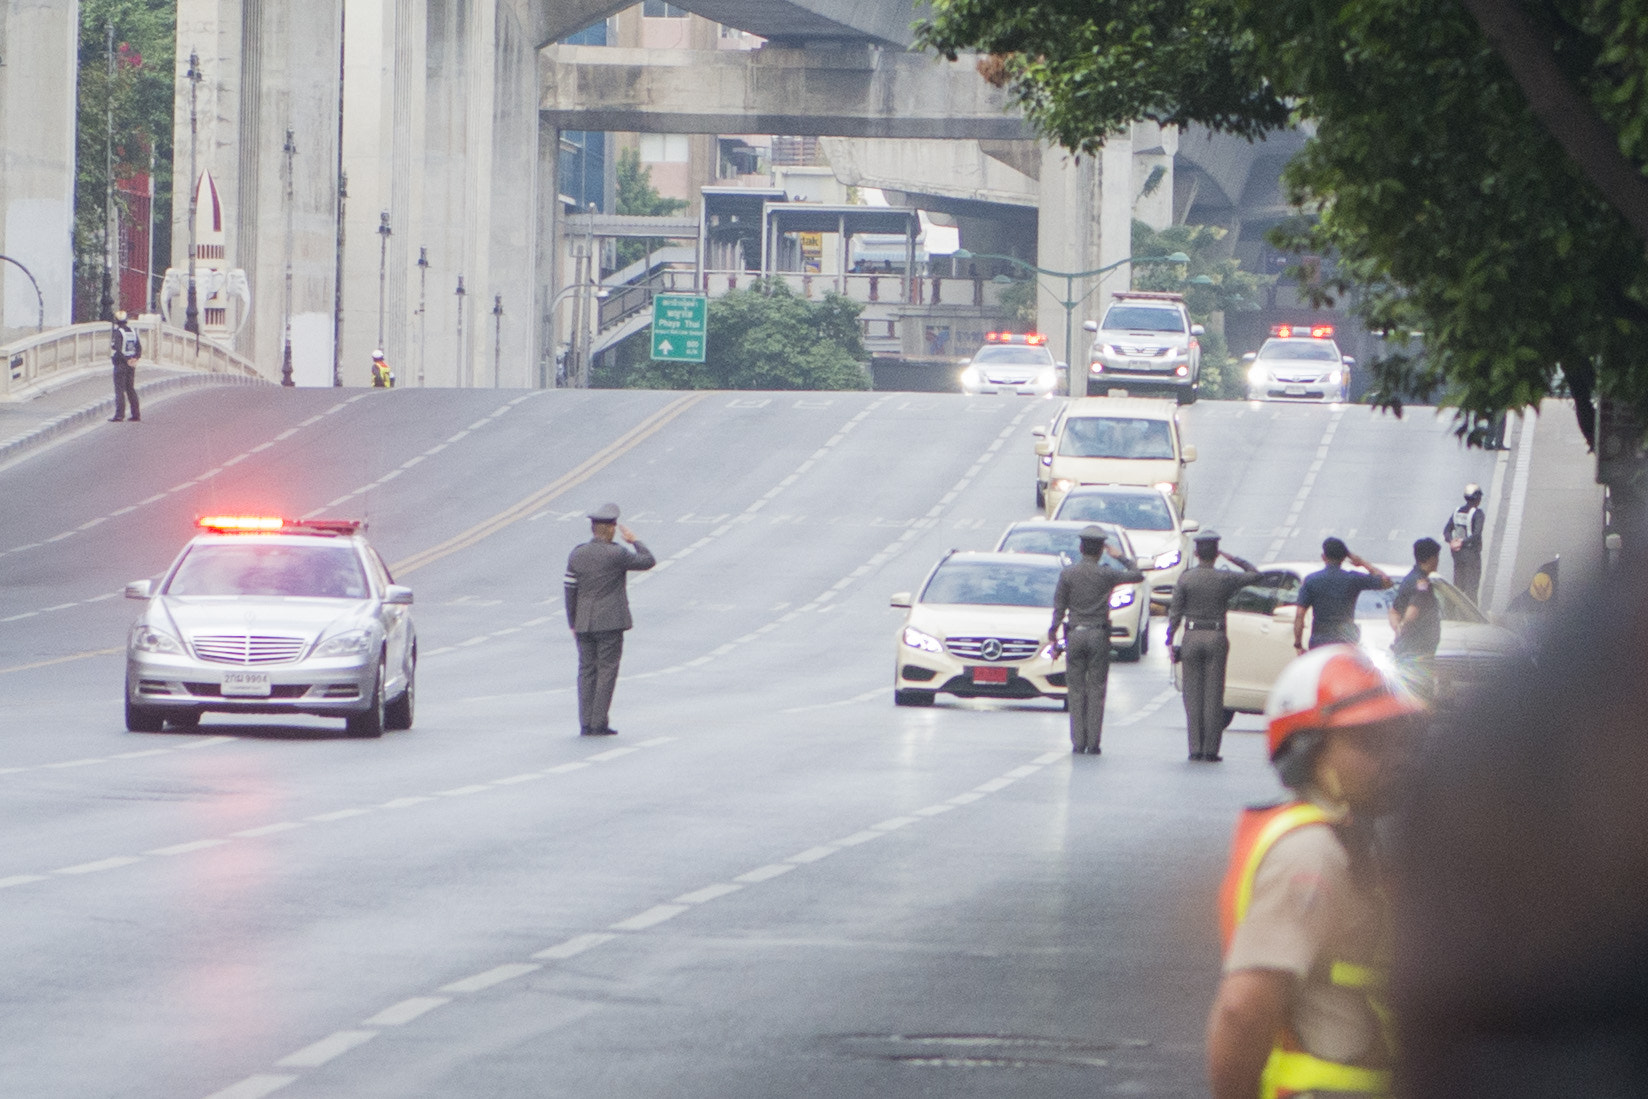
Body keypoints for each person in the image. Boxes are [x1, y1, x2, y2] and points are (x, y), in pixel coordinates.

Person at [1207, 645, 1420, 1099]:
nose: (1396, 758)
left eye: (1399, 739)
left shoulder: (1355, 839)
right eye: (1368, 742)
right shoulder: (1311, 853)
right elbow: (1244, 1010)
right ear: (1308, 752)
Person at [1166, 531, 1264, 761]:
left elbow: (1175, 612)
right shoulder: (1224, 578)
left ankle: (1195, 748)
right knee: (1213, 695)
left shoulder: (1186, 578)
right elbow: (1255, 575)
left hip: (1191, 636)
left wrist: (1170, 640)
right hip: (1216, 636)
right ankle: (1211, 750)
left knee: (1192, 695)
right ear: (1216, 553)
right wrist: (1232, 558)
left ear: (1197, 553)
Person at [1049, 525, 1145, 755]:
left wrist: (1053, 635)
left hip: (1075, 634)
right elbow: (1137, 574)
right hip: (1099, 634)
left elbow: (1059, 608)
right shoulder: (1107, 574)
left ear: (1081, 548)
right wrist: (1120, 556)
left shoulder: (1068, 574)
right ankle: (1093, 743)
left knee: (1076, 689)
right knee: (1096, 689)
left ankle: (1078, 742)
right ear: (1102, 550)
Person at [563, 502, 655, 737]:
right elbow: (647, 561)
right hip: (610, 622)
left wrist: (573, 621)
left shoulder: (577, 553)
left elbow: (570, 589)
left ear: (593, 529)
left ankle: (585, 723)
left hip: (583, 622)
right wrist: (634, 540)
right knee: (606, 671)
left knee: (586, 671)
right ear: (612, 529)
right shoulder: (617, 553)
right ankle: (598, 723)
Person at [1293, 537, 1391, 653]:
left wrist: (1298, 643)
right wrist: (1362, 563)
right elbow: (1387, 582)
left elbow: (1300, 615)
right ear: (1344, 558)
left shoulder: (1311, 580)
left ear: (1323, 557)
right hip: (1346, 640)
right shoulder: (1353, 578)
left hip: (1320, 641)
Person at [1388, 537, 1443, 701]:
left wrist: (1398, 630)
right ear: (1432, 558)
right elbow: (1413, 610)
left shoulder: (1409, 578)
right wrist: (1404, 627)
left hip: (1408, 648)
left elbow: (1393, 611)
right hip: (1419, 648)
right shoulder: (1422, 583)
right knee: (1420, 692)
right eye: (1437, 557)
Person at [1442, 484, 1485, 603]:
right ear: (1477, 498)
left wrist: (1452, 541)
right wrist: (1463, 542)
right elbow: (1476, 534)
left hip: (1457, 554)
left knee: (1458, 586)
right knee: (1472, 588)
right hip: (1471, 554)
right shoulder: (1478, 513)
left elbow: (1446, 531)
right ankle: (1471, 618)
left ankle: (1453, 613)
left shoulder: (1457, 512)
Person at [109, 310, 141, 422]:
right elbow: (139, 348)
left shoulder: (118, 333)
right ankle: (136, 414)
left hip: (121, 364)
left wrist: (126, 360)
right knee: (130, 389)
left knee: (119, 390)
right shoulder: (132, 331)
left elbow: (117, 349)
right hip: (131, 364)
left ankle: (119, 415)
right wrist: (134, 358)